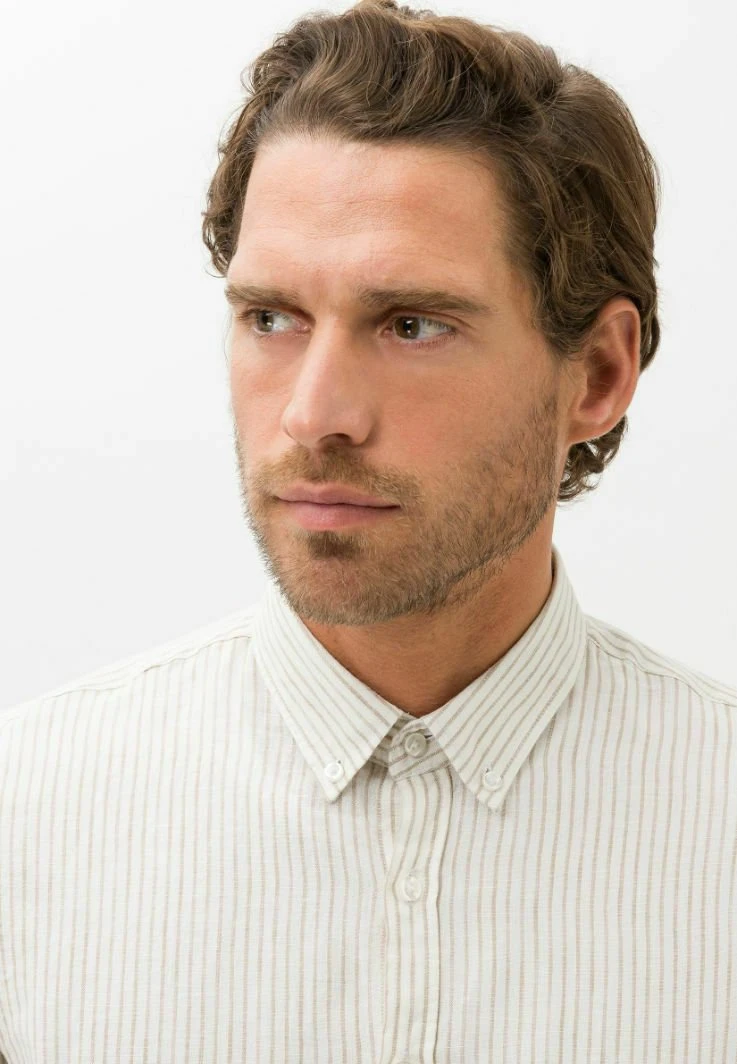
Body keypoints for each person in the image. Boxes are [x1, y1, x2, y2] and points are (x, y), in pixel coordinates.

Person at [1, 0, 735, 1060]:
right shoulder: (28, 820)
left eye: (411, 324)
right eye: (271, 318)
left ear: (597, 374)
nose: (313, 414)